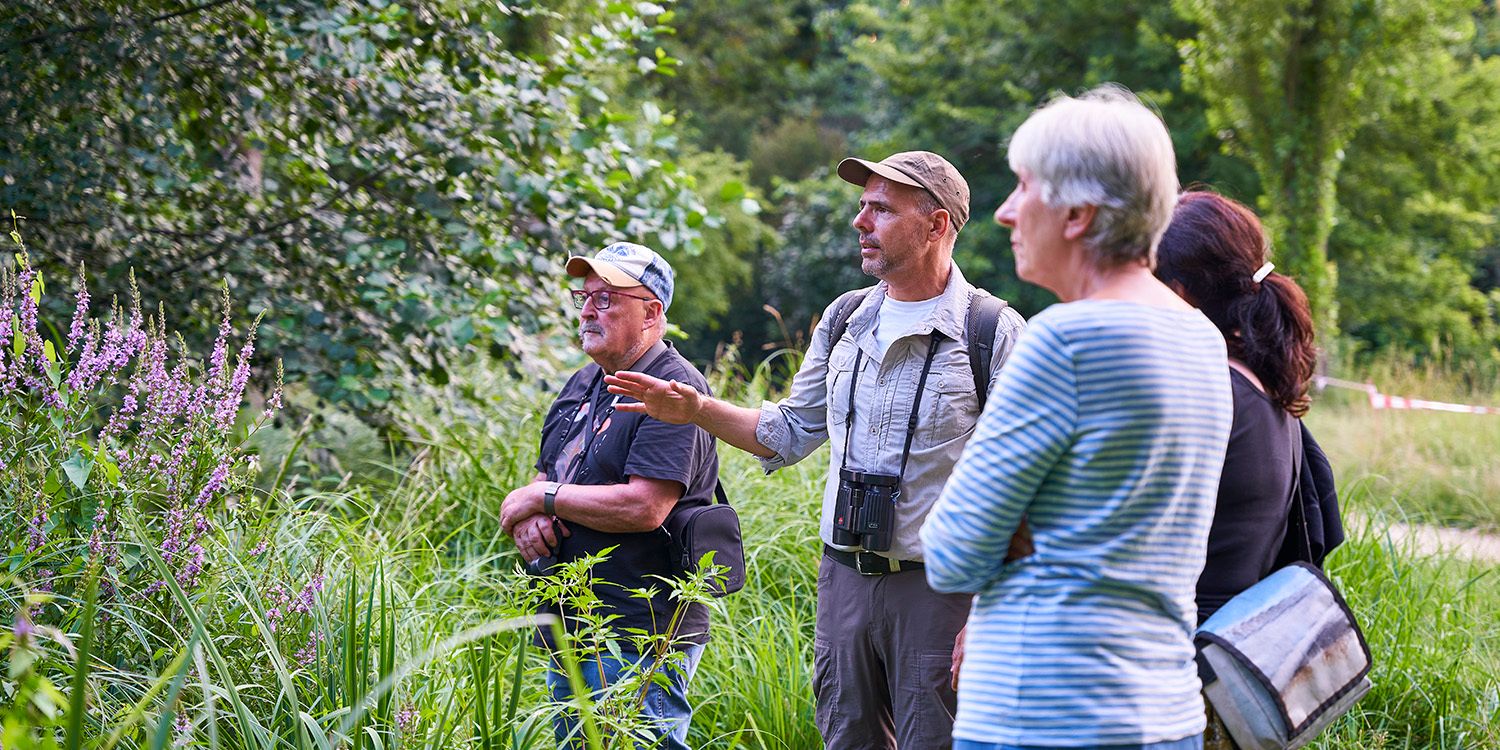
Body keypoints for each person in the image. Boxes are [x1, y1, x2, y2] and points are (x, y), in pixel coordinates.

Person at [606, 150, 1026, 748]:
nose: (860, 222)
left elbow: (1023, 487)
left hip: (944, 590)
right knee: (847, 738)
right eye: (862, 207)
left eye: (881, 209)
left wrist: (989, 614)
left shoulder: (991, 331)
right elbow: (788, 431)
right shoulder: (845, 317)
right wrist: (696, 409)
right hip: (844, 581)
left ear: (937, 226)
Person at [919, 85, 1234, 750]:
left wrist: (1020, 526)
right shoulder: (1200, 336)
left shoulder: (1066, 339)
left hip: (1043, 713)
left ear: (1078, 214)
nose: (1004, 213)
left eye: (1023, 186)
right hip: (1165, 713)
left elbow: (950, 554)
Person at [498, 242, 719, 750]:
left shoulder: (673, 387)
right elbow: (546, 475)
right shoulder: (583, 381)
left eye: (606, 298)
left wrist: (545, 499)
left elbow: (646, 506)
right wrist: (532, 513)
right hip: (572, 614)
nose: (587, 310)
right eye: (584, 296)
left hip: (637, 627)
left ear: (651, 312)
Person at [1155, 191, 1321, 750]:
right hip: (1230, 667)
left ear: (1178, 292)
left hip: (1189, 677)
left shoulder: (1210, 394)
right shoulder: (1258, 388)